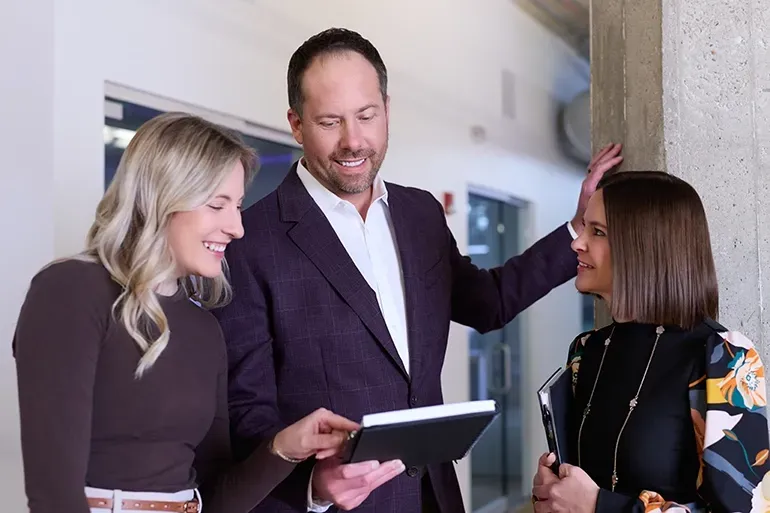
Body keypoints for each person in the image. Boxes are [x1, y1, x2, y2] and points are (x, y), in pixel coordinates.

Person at [212, 27, 623, 513]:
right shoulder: (250, 241)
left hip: (436, 497)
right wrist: (312, 489)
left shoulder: (420, 214)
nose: (353, 140)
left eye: (367, 116)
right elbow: (246, 415)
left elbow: (488, 302)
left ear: (387, 108)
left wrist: (579, 226)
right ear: (296, 124)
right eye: (329, 122)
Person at [12, 112, 360, 513]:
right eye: (217, 205)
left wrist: (284, 448)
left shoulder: (204, 328)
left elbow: (216, 499)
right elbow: (53, 495)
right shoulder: (70, 290)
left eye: (238, 206)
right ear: (162, 198)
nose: (237, 228)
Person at [531, 171, 770, 512]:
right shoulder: (586, 351)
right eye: (584, 227)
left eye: (597, 232)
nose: (577, 242)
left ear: (646, 246)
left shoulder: (725, 359)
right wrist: (554, 494)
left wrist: (601, 506)